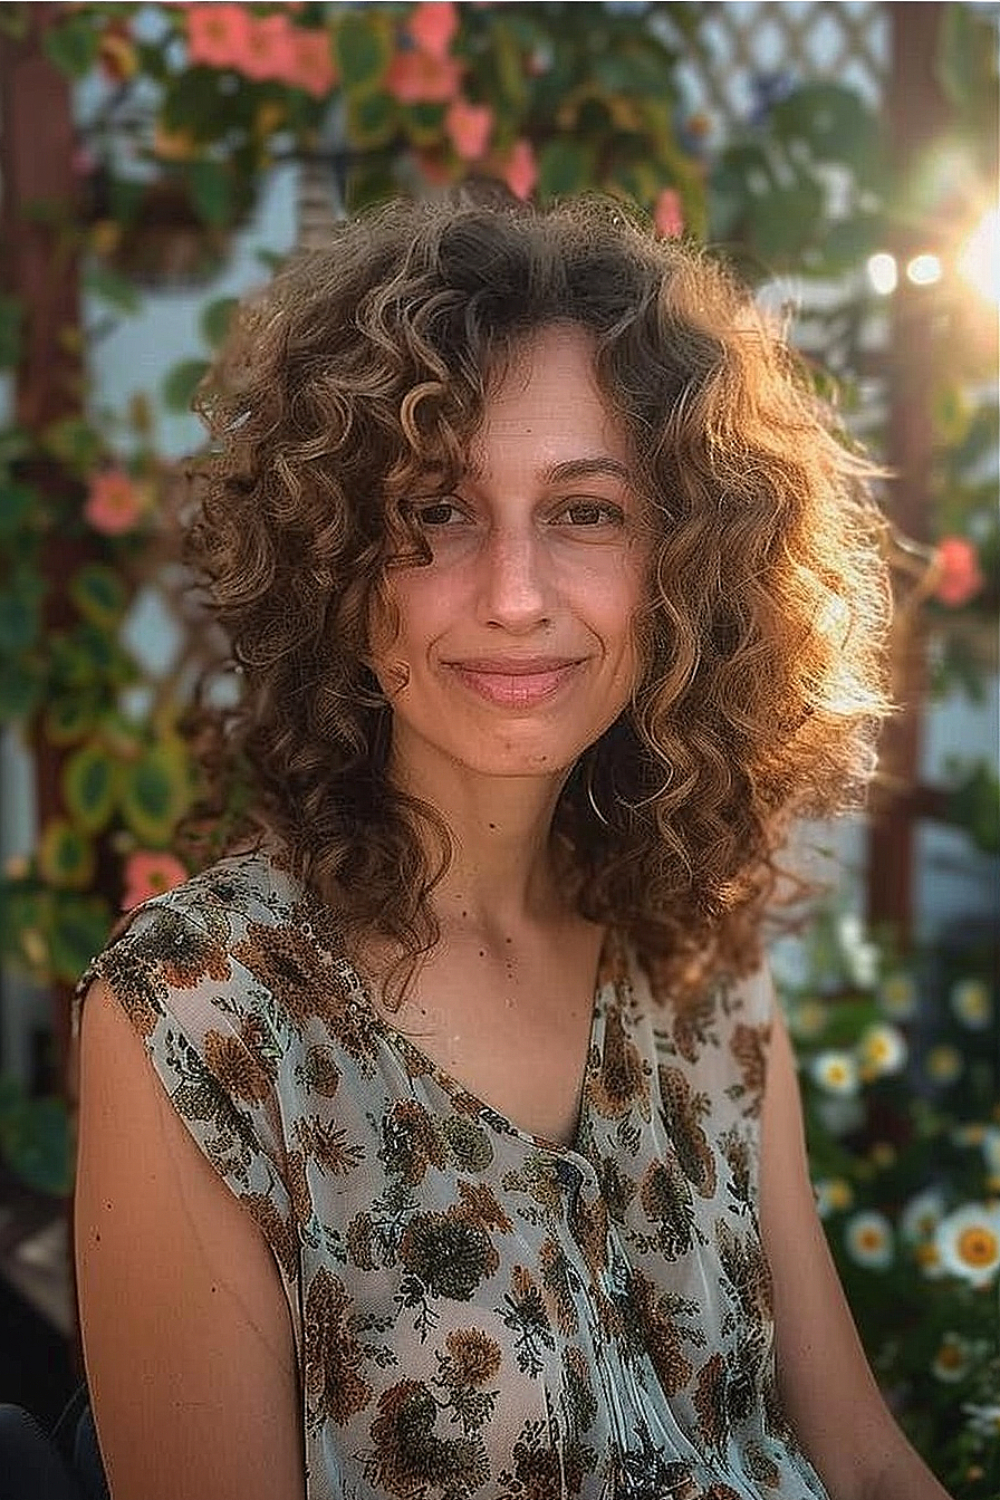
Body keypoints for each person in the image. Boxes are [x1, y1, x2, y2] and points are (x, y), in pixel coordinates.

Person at [73, 192, 952, 1500]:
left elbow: (864, 1462)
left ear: (682, 567)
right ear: (335, 561)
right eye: (437, 510)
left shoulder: (698, 964)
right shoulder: (202, 1024)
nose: (515, 595)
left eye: (586, 511)